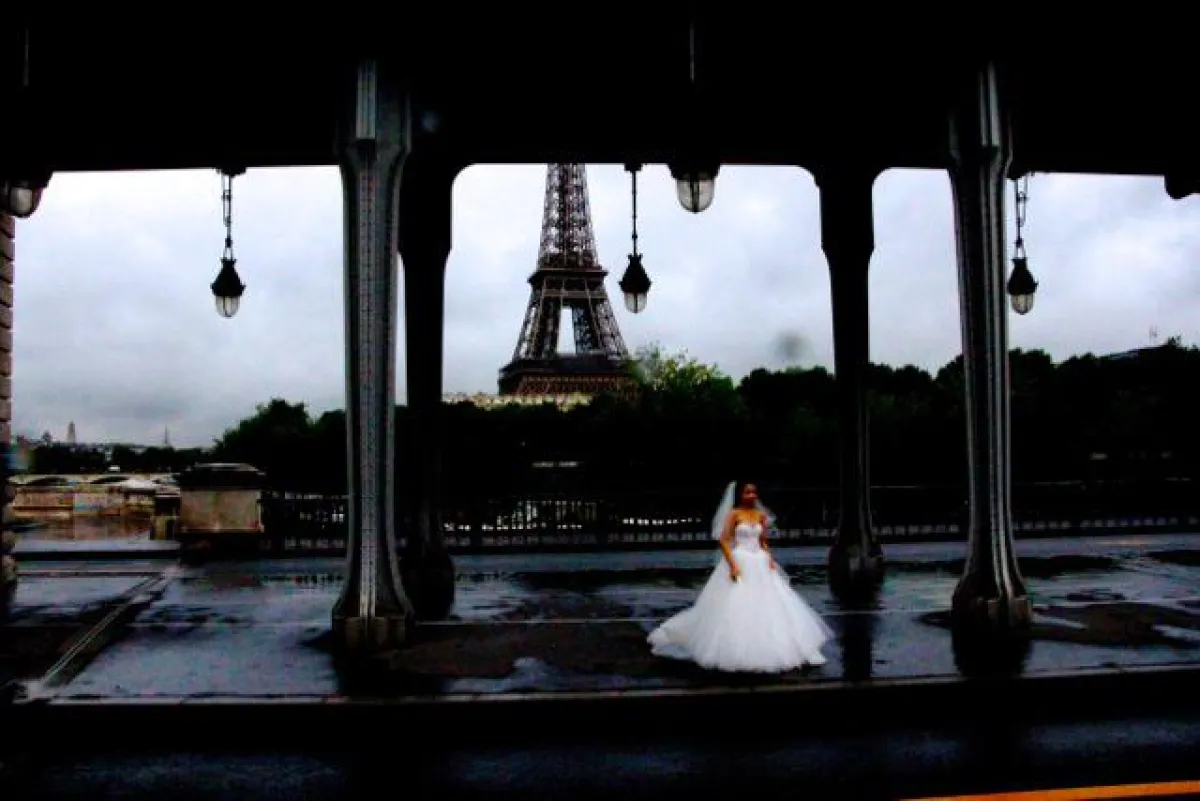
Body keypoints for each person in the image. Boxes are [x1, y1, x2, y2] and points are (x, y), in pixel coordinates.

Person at [647, 480, 832, 673]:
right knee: (736, 602)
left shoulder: (760, 516)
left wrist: (768, 557)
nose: (751, 496)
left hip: (759, 561)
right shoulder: (734, 514)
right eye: (747, 492)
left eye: (753, 492)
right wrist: (733, 565)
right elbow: (725, 540)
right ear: (740, 495)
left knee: (770, 604)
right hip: (741, 559)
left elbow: (763, 541)